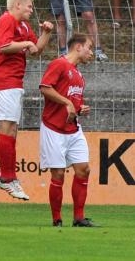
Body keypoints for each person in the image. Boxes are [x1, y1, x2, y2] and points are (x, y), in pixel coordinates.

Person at [0, 0, 53, 201]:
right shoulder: (7, 20)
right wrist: (25, 44)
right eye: (29, 6)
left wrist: (45, 33)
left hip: (15, 82)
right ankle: (7, 177)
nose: (31, 10)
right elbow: (3, 46)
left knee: (12, 130)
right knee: (7, 127)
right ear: (17, 4)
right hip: (4, 81)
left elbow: (36, 51)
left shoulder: (24, 26)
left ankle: (8, 177)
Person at [39, 33, 98, 227]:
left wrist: (80, 108)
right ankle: (57, 219)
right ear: (78, 47)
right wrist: (66, 102)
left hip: (73, 129)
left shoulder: (79, 75)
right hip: (53, 128)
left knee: (84, 170)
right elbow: (45, 87)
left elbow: (74, 103)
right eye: (89, 47)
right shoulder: (59, 64)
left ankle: (79, 218)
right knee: (58, 175)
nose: (91, 52)